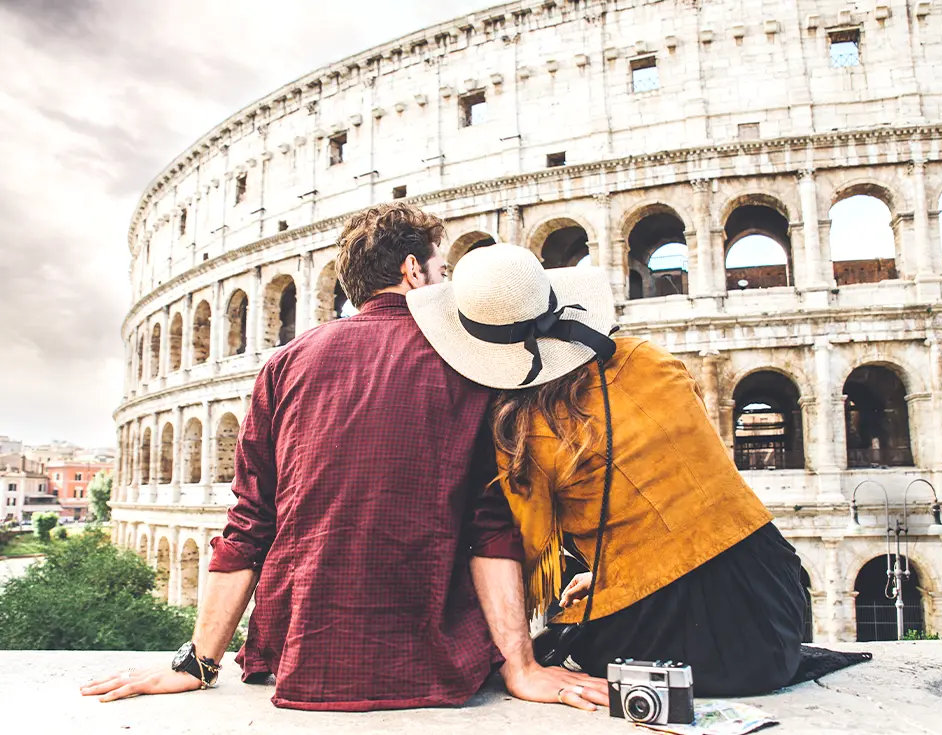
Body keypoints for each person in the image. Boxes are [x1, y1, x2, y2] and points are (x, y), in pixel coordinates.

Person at [81, 204, 607, 711]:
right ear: (413, 271)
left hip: (301, 659)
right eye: (441, 270)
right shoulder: (471, 364)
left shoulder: (284, 364)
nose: (444, 282)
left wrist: (198, 662)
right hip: (434, 661)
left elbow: (248, 523)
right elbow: (488, 528)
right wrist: (521, 666)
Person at [407, 243, 807, 697]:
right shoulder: (649, 358)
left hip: (669, 637)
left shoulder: (525, 428)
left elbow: (526, 545)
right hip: (772, 605)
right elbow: (676, 489)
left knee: (565, 636)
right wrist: (616, 571)